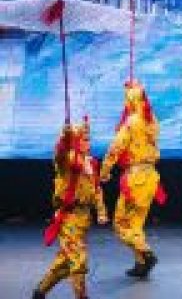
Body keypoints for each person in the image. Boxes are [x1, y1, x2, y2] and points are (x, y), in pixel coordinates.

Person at [33, 120, 108, 299]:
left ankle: (40, 291)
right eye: (82, 139)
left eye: (88, 139)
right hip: (68, 218)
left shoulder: (91, 162)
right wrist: (65, 138)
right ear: (75, 140)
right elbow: (59, 154)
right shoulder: (68, 160)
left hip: (83, 218)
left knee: (66, 262)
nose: (87, 142)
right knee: (78, 259)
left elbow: (96, 188)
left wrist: (101, 210)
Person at [100, 80, 165, 278]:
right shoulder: (152, 120)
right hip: (151, 177)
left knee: (120, 224)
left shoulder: (132, 122)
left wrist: (104, 171)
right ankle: (141, 263)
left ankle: (146, 252)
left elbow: (115, 148)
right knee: (135, 224)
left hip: (135, 178)